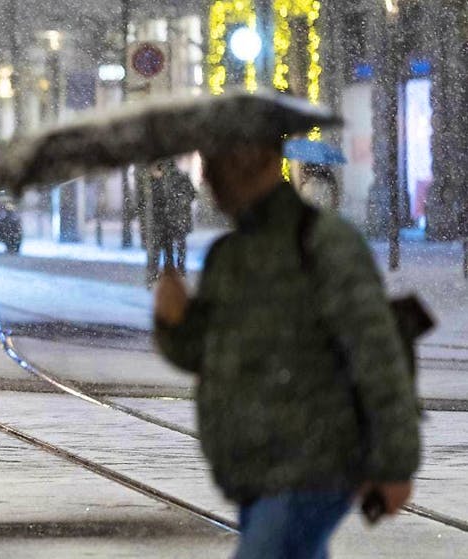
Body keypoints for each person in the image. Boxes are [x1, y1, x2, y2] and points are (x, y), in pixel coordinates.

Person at [154, 139, 420, 558]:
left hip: (313, 464)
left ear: (259, 160)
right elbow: (200, 353)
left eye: (219, 163)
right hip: (253, 471)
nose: (208, 178)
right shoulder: (228, 256)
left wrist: (394, 462)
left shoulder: (323, 242)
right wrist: (171, 321)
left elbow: (378, 355)